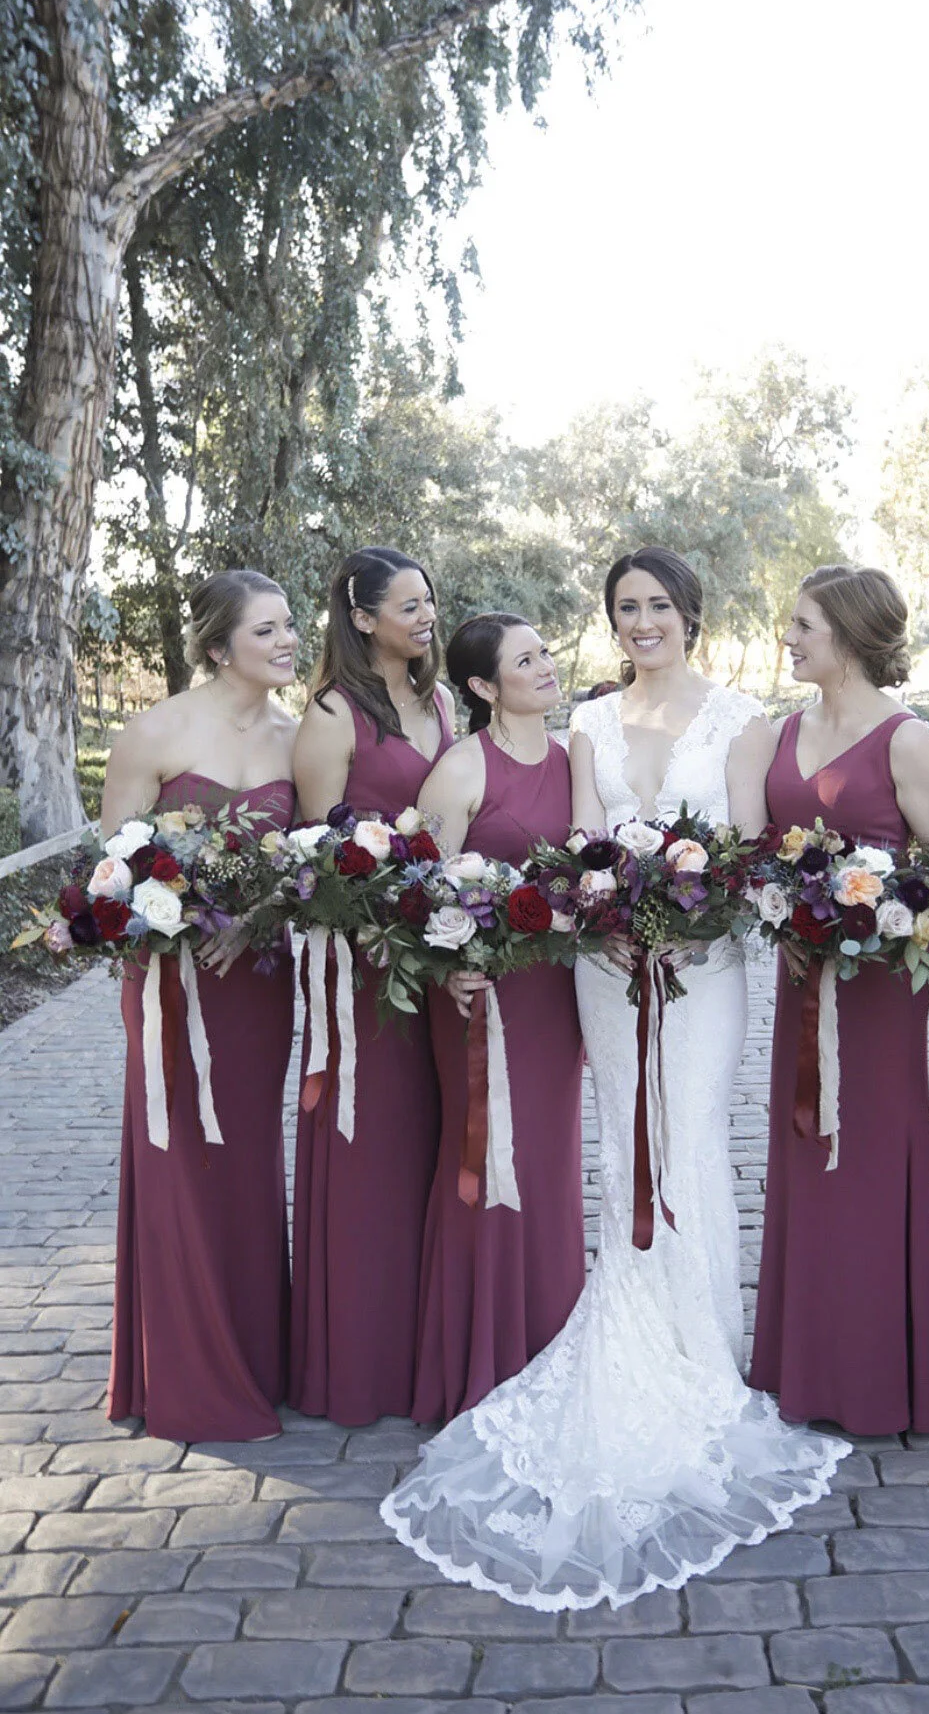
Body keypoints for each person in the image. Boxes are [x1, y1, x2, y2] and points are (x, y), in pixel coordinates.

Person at [381, 546, 848, 1609]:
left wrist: (697, 919)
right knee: (617, 1140)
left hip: (705, 967)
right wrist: (611, 917)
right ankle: (627, 1319)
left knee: (689, 1139)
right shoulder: (588, 721)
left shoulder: (744, 720)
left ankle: (702, 1352)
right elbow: (582, 846)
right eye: (626, 606)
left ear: (690, 613)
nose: (643, 621)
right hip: (604, 964)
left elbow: (749, 848)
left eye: (659, 604)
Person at [749, 565, 929, 1434]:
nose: (789, 639)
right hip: (801, 971)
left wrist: (869, 911)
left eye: (804, 625)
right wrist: (787, 909)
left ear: (852, 633)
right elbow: (764, 850)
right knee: (805, 1143)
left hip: (879, 988)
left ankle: (878, 1369)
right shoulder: (782, 730)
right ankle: (806, 1359)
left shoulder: (909, 741)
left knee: (870, 1149)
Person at [106, 570, 298, 1442]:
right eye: (267, 630)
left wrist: (256, 917)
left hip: (256, 981)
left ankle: (255, 1355)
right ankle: (187, 1369)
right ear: (220, 647)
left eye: (289, 625)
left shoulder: (297, 738)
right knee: (178, 1156)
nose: (287, 641)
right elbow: (112, 872)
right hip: (171, 984)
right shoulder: (153, 731)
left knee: (247, 1161)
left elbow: (308, 867)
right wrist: (174, 923)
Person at [289, 546, 454, 1425]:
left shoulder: (441, 701)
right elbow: (314, 854)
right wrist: (377, 925)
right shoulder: (329, 714)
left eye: (429, 602)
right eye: (407, 605)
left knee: (432, 1138)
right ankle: (360, 1358)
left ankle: (427, 1347)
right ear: (361, 618)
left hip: (442, 952)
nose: (426, 617)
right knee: (371, 1145)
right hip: (364, 962)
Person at [412, 613, 585, 1422]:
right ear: (483, 686)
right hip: (479, 993)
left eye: (545, 652)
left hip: (555, 993)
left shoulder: (573, 759)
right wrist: (448, 965)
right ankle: (479, 1356)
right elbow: (417, 890)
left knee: (549, 1159)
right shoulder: (460, 769)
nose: (546, 666)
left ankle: (550, 1341)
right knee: (483, 1153)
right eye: (526, 660)